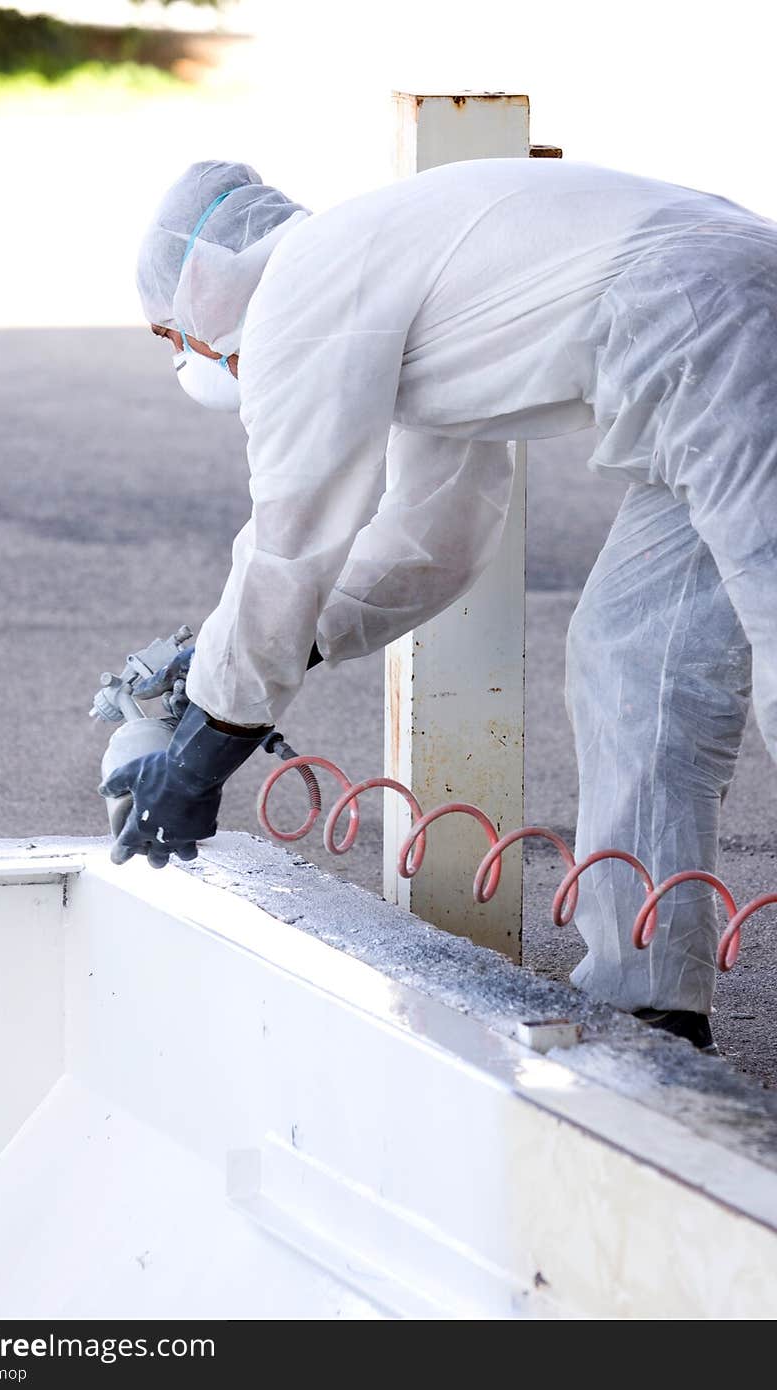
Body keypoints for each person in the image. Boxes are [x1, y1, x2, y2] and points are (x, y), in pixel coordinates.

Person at [102, 156, 777, 1052]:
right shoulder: (371, 282)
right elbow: (435, 541)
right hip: (716, 329)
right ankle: (650, 1003)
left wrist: (201, 754)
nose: (182, 356)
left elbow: (286, 543)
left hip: (713, 330)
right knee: (631, 655)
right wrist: (275, 652)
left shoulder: (302, 298)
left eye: (166, 334)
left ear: (201, 285)